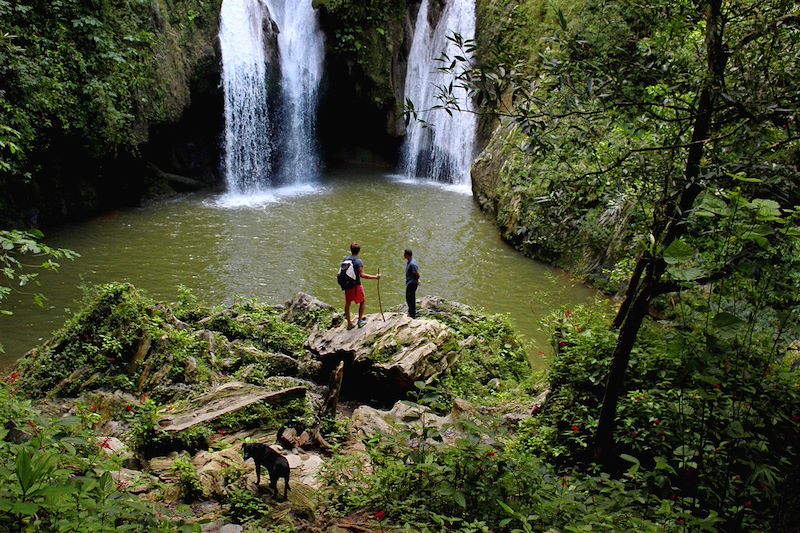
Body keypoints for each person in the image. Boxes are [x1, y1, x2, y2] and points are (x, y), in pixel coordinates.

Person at [343, 242, 381, 329]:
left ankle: (349, 324)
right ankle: (360, 321)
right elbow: (363, 275)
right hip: (355, 286)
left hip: (346, 285)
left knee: (348, 303)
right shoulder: (358, 262)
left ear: (351, 250)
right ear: (359, 251)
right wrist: (376, 277)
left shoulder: (346, 259)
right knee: (362, 301)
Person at [404, 248, 420, 318]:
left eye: (404, 254)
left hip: (412, 283)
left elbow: (416, 273)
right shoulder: (410, 261)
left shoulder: (412, 264)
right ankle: (411, 312)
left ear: (407, 255)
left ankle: (412, 314)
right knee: (408, 297)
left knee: (410, 298)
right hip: (410, 282)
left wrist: (417, 280)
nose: (403, 255)